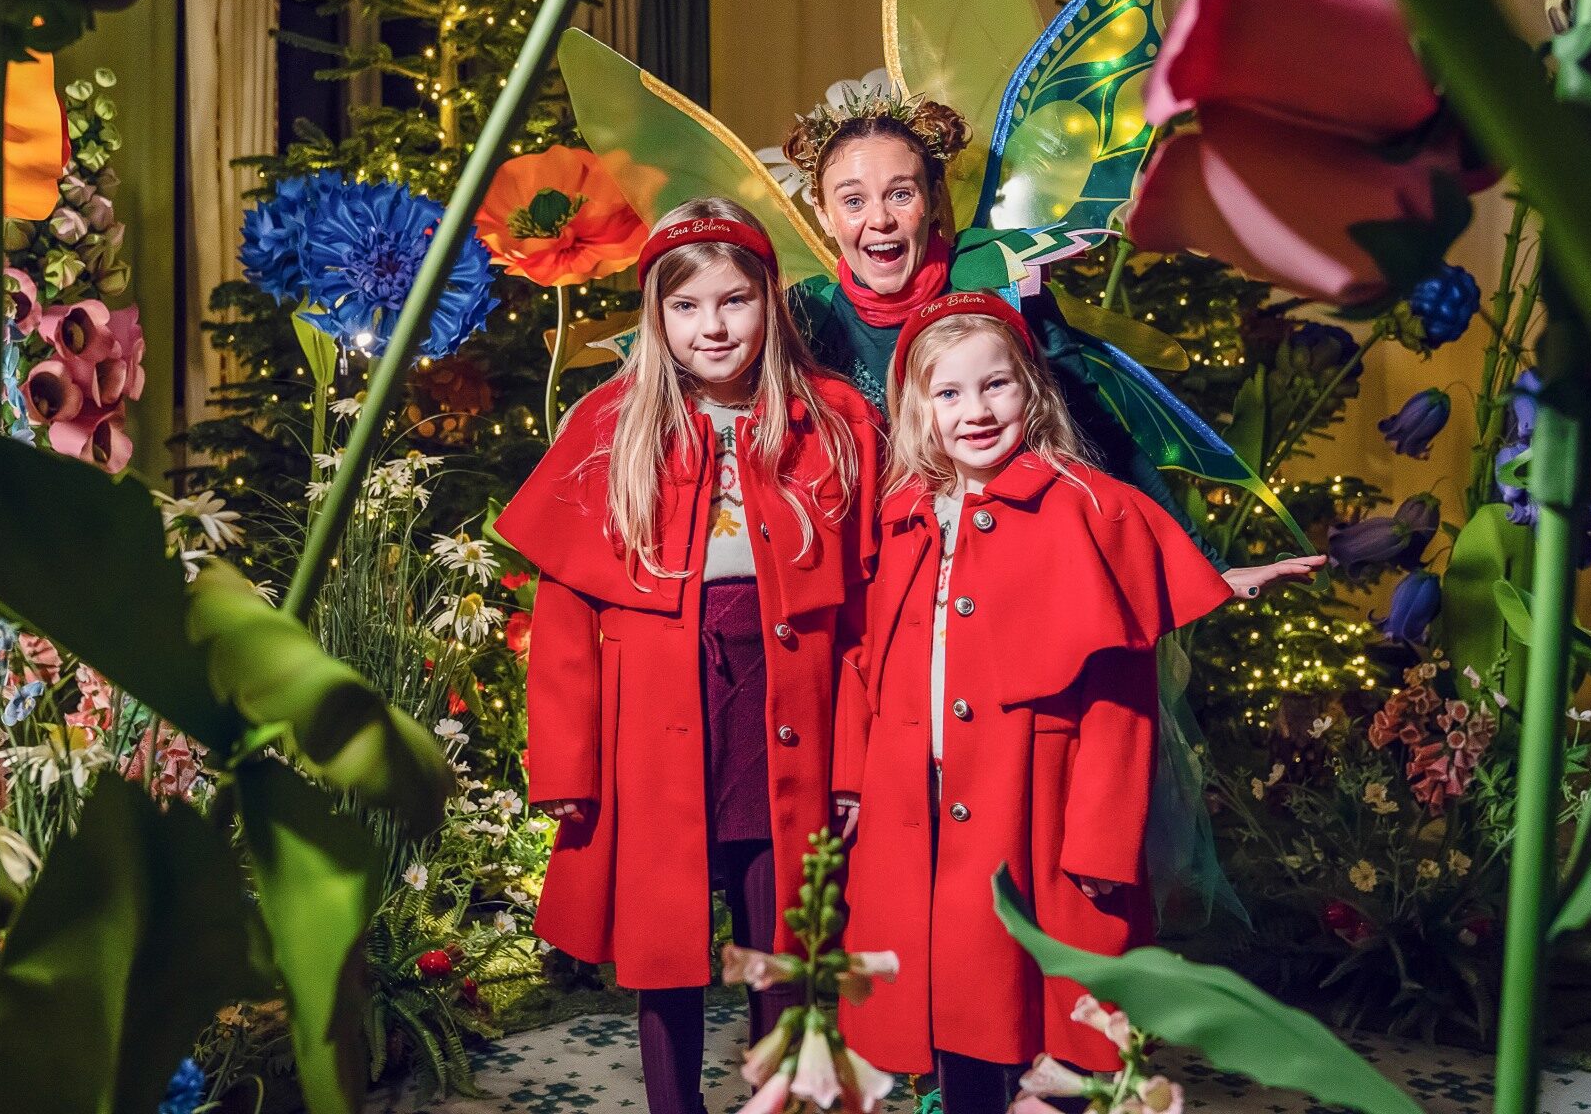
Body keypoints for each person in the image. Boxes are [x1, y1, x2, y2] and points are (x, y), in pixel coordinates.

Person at [494, 197, 883, 1114]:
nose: (713, 327)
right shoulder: (609, 426)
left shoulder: (830, 419)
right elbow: (563, 616)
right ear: (656, 317)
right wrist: (564, 766)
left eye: (734, 301)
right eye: (687, 307)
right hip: (653, 711)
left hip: (787, 701)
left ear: (769, 302)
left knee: (780, 927)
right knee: (660, 940)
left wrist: (858, 759)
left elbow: (867, 610)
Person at [834, 292, 1232, 1113]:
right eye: (948, 393)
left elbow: (1123, 705)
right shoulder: (904, 514)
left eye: (997, 386)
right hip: (919, 801)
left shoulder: (1091, 509)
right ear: (917, 407)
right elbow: (867, 664)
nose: (975, 412)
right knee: (947, 1008)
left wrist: (1099, 842)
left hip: (1040, 810)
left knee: (1035, 1010)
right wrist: (854, 781)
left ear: (1034, 391)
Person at [781, 88, 1321, 600]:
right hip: (881, 592)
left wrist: (1206, 563)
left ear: (932, 199)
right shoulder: (809, 317)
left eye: (901, 193)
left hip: (1011, 573)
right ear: (825, 217)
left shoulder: (998, 281)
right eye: (853, 201)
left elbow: (1096, 430)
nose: (879, 219)